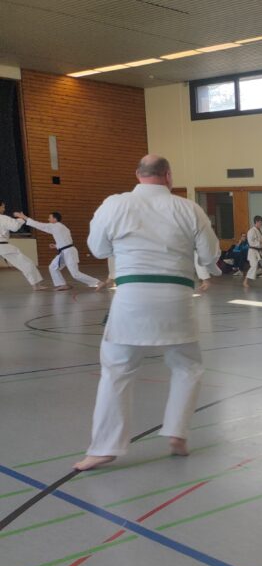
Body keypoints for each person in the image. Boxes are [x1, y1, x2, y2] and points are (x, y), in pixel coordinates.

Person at [73, 155, 221, 471]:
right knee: (187, 366)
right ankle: (177, 431)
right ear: (168, 176)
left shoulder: (114, 204)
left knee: (117, 369)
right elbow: (209, 254)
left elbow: (98, 249)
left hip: (131, 297)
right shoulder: (189, 208)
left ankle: (104, 448)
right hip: (176, 297)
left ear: (138, 175)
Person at [15, 209, 103, 290]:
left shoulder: (55, 226)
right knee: (53, 267)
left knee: (75, 274)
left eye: (50, 218)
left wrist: (24, 217)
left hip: (69, 252)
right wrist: (57, 246)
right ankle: (62, 284)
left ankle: (98, 282)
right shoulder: (60, 227)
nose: (48, 219)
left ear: (55, 219)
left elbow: (38, 225)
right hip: (65, 251)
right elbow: (65, 240)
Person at [0, 200, 45, 289]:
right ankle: (36, 285)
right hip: (3, 246)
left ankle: (36, 284)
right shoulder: (3, 218)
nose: (4, 209)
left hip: (3, 246)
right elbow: (14, 227)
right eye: (3, 207)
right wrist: (22, 218)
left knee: (26, 263)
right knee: (27, 263)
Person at [242, 215, 262, 289]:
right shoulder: (251, 231)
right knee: (254, 265)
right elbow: (251, 243)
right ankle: (245, 281)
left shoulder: (261, 231)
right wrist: (260, 242)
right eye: (260, 222)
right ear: (256, 222)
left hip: (260, 251)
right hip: (253, 251)